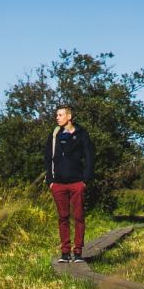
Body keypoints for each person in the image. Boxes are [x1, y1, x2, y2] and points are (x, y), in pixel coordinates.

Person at [47, 104, 93, 262]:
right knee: (63, 217)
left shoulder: (81, 134)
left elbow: (89, 157)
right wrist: (50, 181)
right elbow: (48, 159)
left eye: (60, 115)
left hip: (76, 183)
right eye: (57, 115)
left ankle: (78, 251)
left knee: (79, 216)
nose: (57, 117)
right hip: (58, 184)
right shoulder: (54, 135)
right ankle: (65, 253)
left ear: (69, 117)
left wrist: (85, 180)